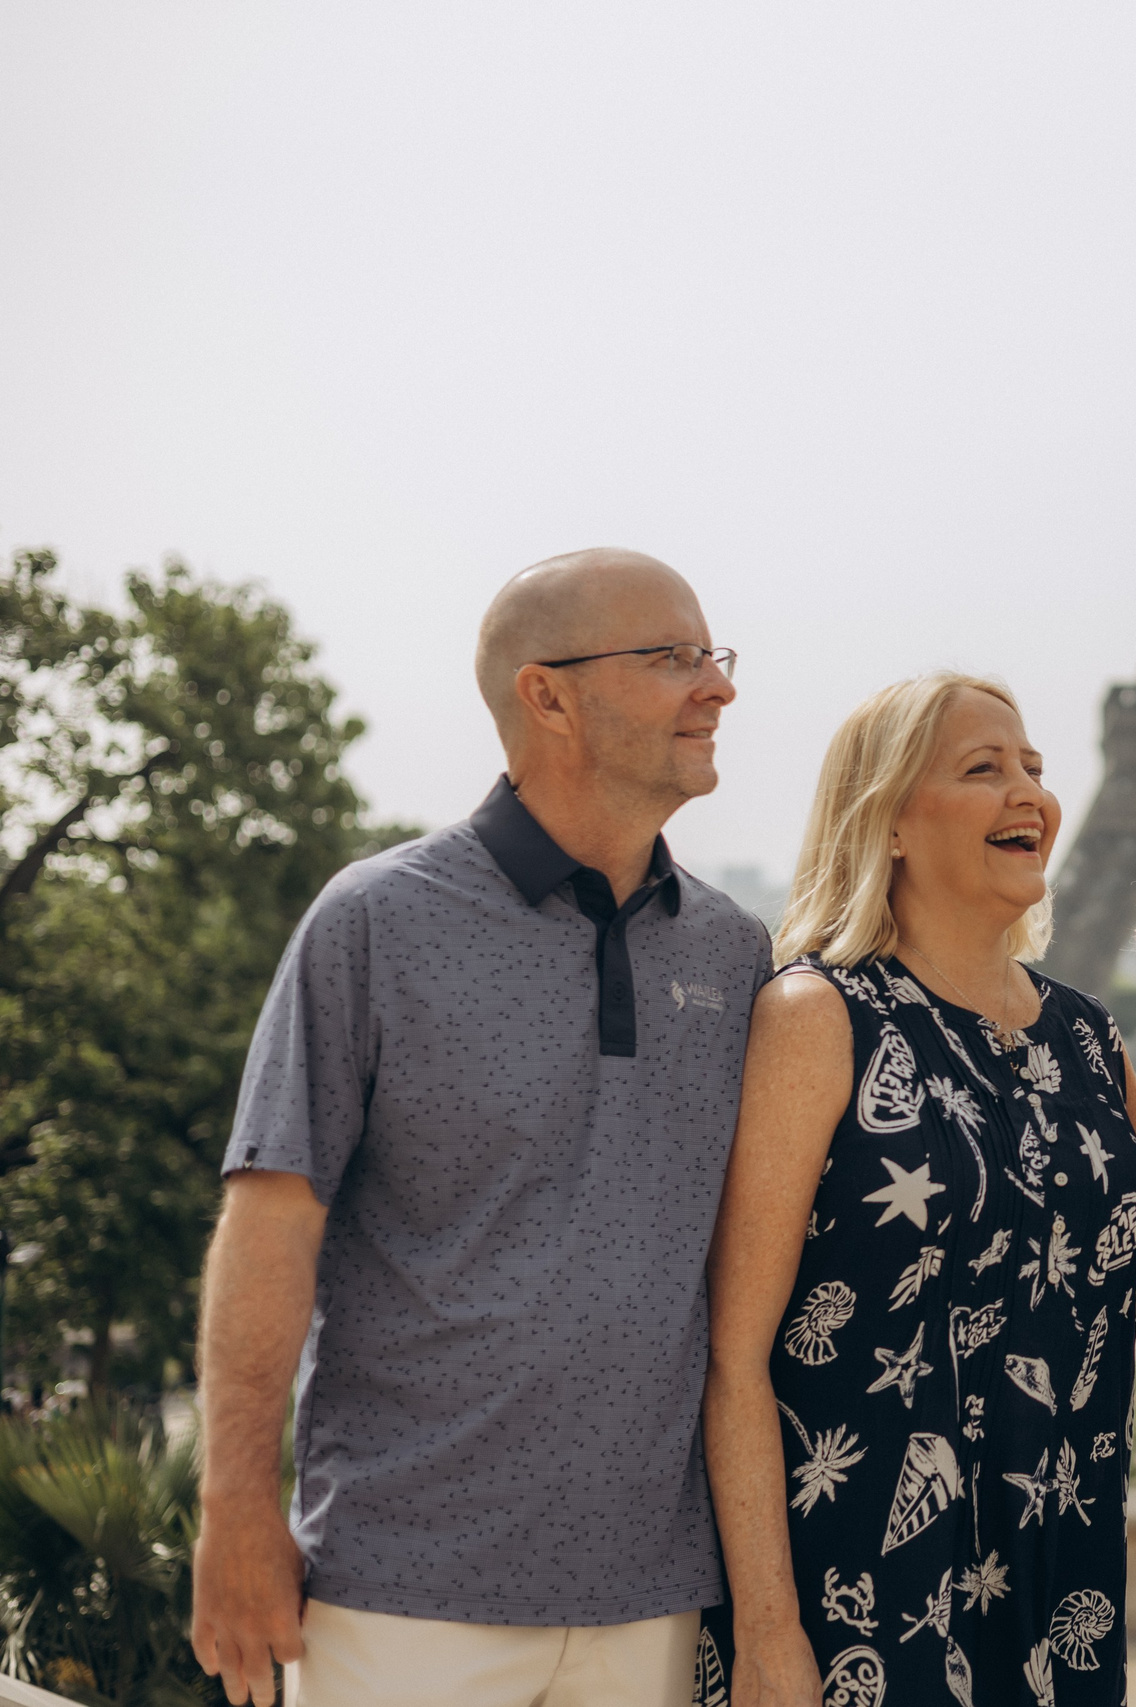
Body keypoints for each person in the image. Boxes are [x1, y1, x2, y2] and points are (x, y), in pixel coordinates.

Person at [189, 550, 767, 1707]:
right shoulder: (373, 923)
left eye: (714, 655)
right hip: (398, 1587)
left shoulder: (736, 953)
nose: (717, 687)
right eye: (671, 658)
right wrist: (238, 1511)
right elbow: (268, 1226)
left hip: (648, 1592)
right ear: (545, 695)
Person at [701, 671, 1136, 1707]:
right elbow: (733, 1354)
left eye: (1032, 766)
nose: (1026, 791)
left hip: (1053, 1578)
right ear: (887, 822)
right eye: (982, 770)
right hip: (858, 1588)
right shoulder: (819, 1017)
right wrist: (768, 1636)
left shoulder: (1085, 1035)